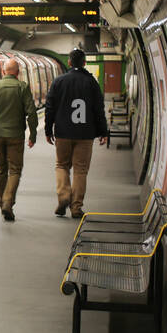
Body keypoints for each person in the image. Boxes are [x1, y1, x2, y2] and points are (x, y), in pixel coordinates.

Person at [45, 47, 108, 218]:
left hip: (63, 132)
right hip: (85, 134)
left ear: (70, 62)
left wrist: (47, 130)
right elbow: (98, 109)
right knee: (80, 170)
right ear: (85, 63)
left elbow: (50, 107)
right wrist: (104, 131)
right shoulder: (92, 82)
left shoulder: (59, 81)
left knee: (61, 165)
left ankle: (64, 196)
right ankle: (76, 208)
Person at [0, 57, 37, 221]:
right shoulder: (22, 87)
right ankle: (7, 202)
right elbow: (31, 113)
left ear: (4, 72)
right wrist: (33, 134)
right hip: (16, 135)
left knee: (0, 169)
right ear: (18, 73)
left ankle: (3, 201)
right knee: (15, 170)